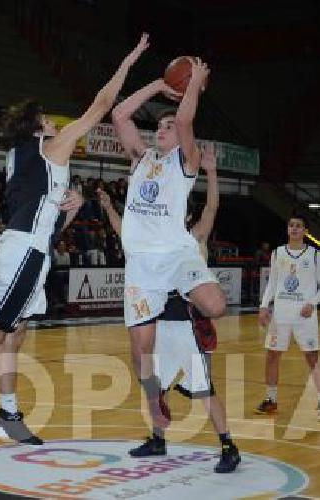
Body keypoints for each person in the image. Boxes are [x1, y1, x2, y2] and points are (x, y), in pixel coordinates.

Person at [0, 34, 150, 450]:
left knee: (14, 334)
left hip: (32, 248)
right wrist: (130, 60)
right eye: (50, 119)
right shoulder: (49, 148)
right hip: (23, 253)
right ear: (39, 126)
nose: (57, 123)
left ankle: (8, 413)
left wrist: (73, 204)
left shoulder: (25, 158)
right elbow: (101, 106)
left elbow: (49, 221)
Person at [111, 54, 225, 454]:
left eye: (168, 125)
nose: (162, 128)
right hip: (142, 264)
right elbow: (121, 114)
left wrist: (193, 83)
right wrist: (160, 87)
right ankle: (156, 400)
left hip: (175, 254)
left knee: (216, 305)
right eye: (158, 125)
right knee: (139, 350)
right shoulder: (141, 158)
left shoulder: (186, 162)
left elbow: (186, 121)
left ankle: (192, 312)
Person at [98, 145, 238, 471]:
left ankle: (228, 445)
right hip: (160, 322)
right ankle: (157, 438)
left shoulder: (194, 238)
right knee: (153, 384)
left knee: (204, 389)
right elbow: (124, 232)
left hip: (187, 326)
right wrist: (108, 207)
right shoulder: (150, 240)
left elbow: (212, 208)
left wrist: (212, 171)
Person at [257, 212, 320, 421]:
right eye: (291, 225)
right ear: (288, 229)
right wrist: (264, 306)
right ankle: (270, 400)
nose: (295, 229)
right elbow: (272, 283)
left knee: (312, 358)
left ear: (306, 231)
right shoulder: (278, 252)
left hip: (304, 316)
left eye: (299, 226)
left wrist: (312, 303)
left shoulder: (315, 255)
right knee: (272, 356)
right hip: (280, 315)